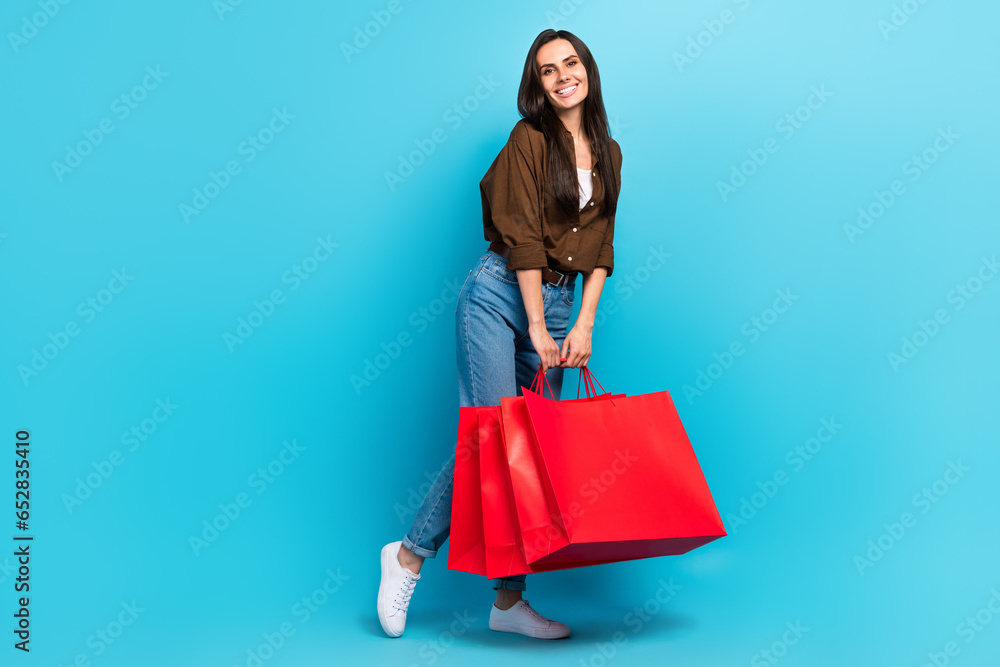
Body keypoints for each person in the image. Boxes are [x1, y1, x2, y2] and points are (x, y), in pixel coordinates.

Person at [377, 28, 622, 640]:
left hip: (564, 306)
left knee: (529, 454)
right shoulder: (528, 140)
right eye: (547, 69)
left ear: (587, 70)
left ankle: (508, 602)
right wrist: (537, 324)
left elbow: (600, 248)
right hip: (499, 296)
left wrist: (583, 322)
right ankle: (408, 555)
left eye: (571, 63)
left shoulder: (610, 151)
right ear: (536, 84)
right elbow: (521, 236)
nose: (562, 74)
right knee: (492, 440)